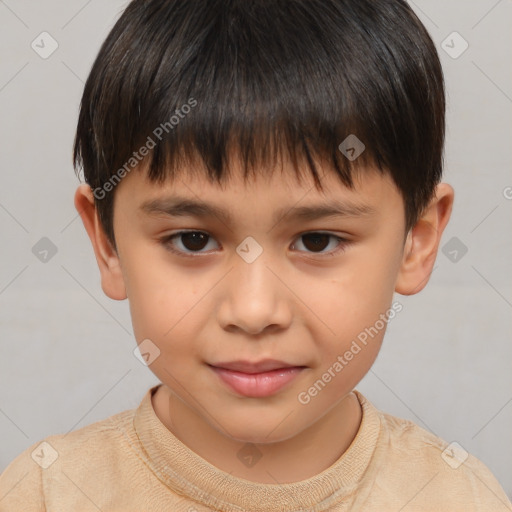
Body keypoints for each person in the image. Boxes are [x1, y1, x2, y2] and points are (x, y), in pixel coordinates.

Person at [1, 0, 510, 510]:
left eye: (317, 241)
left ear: (415, 241)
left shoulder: (457, 496)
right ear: (107, 244)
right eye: (193, 240)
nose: (253, 311)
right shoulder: (47, 494)